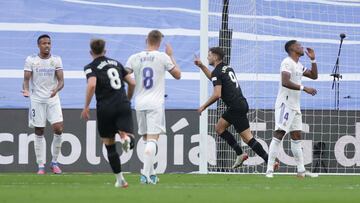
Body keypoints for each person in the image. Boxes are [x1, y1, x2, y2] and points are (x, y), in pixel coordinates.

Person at [195, 47, 277, 169]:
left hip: (235, 107)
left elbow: (217, 94)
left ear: (216, 57)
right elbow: (213, 77)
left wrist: (203, 106)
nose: (208, 57)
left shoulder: (218, 72)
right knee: (219, 128)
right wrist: (201, 66)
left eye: (209, 55)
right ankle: (242, 154)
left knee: (247, 138)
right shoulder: (227, 68)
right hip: (240, 104)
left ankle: (268, 161)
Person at [125, 30, 181, 184]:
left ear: (146, 39)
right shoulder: (163, 57)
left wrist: (133, 82)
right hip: (155, 103)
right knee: (152, 140)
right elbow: (178, 74)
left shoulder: (134, 57)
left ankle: (152, 173)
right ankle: (144, 174)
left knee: (147, 140)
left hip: (139, 102)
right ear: (160, 42)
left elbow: (124, 73)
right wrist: (170, 55)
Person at [81, 38, 135, 188]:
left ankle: (120, 179)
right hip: (122, 103)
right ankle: (126, 138)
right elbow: (132, 82)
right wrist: (127, 99)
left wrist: (86, 106)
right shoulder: (116, 63)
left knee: (109, 144)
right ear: (105, 51)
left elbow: (92, 84)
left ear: (91, 52)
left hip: (105, 107)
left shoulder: (90, 67)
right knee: (126, 134)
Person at [265, 40, 318, 178]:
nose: (302, 47)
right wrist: (304, 88)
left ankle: (301, 171)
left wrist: (313, 60)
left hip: (295, 105)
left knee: (296, 136)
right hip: (285, 104)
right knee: (279, 133)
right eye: (299, 45)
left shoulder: (299, 65)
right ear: (292, 48)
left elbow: (314, 75)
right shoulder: (287, 62)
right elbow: (285, 81)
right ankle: (269, 170)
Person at [22, 34, 64, 175]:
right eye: (44, 43)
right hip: (37, 100)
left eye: (49, 43)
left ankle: (54, 162)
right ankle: (41, 165)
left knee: (58, 128)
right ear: (39, 45)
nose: (47, 45)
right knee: (39, 130)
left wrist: (56, 90)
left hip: (53, 98)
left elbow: (61, 81)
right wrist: (26, 90)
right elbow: (26, 80)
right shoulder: (31, 60)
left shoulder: (56, 60)